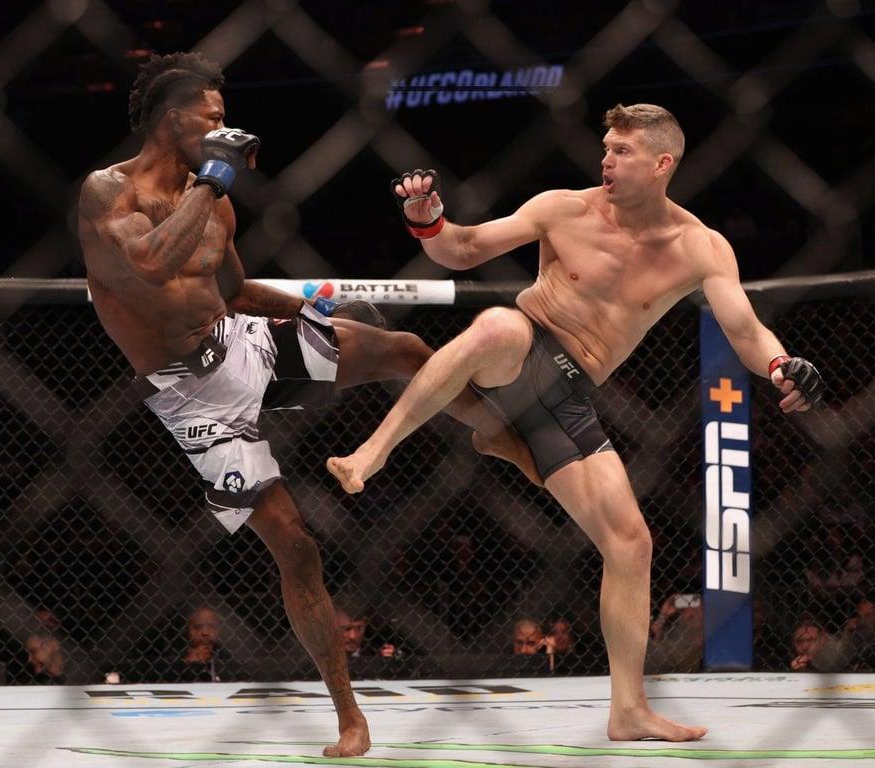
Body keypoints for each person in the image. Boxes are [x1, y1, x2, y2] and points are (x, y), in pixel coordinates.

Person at [76, 51, 537, 758]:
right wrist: (213, 179)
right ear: (173, 119)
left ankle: (512, 449)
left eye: (224, 116)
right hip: (189, 395)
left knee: (409, 348)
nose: (224, 125)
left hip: (240, 344)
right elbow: (150, 264)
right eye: (212, 114)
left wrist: (316, 312)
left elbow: (232, 293)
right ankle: (350, 716)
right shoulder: (109, 193)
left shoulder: (217, 200)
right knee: (296, 546)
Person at [327, 103, 827, 741]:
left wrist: (784, 365)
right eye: (606, 147)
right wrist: (428, 221)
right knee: (499, 323)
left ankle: (628, 709)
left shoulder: (700, 247)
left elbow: (747, 329)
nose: (607, 160)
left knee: (631, 543)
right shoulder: (564, 208)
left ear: (662, 163)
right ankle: (374, 451)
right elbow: (466, 248)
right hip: (519, 354)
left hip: (567, 399)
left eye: (622, 151)